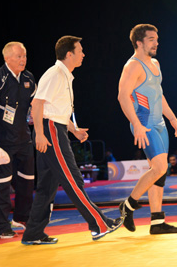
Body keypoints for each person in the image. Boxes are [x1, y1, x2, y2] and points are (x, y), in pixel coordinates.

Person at [22, 35, 123, 245]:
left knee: (47, 186)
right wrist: (40, 134)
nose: (83, 54)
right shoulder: (55, 74)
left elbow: (56, 109)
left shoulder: (65, 75)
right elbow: (37, 105)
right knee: (73, 179)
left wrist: (74, 130)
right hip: (50, 131)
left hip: (54, 127)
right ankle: (99, 224)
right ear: (69, 54)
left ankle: (33, 233)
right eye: (80, 51)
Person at [118, 24, 177, 235]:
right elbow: (122, 96)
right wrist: (137, 125)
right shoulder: (133, 66)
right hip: (145, 124)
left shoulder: (155, 63)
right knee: (159, 168)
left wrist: (172, 118)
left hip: (160, 124)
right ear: (139, 42)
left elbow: (158, 94)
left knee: (160, 173)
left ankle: (157, 222)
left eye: (157, 38)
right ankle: (127, 206)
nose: (156, 43)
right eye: (151, 39)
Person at [0, 42, 36, 238]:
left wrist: (34, 117)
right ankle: (1, 226)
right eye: (19, 56)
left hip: (24, 139)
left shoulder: (28, 78)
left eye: (25, 56)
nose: (23, 60)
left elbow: (35, 105)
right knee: (2, 183)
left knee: (27, 181)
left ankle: (22, 217)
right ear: (7, 58)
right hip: (2, 143)